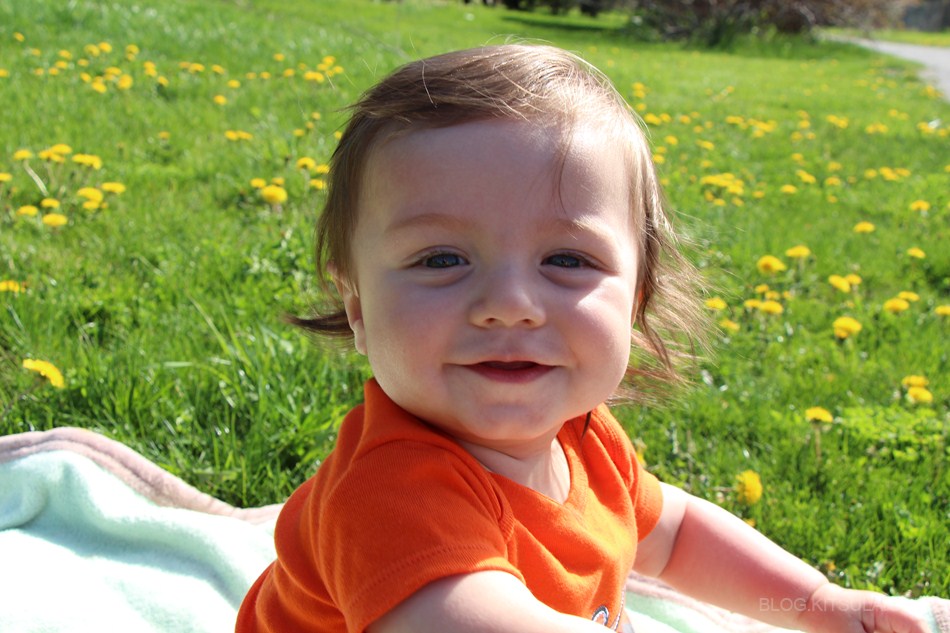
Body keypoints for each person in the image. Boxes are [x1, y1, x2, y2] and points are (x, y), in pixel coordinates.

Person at [236, 44, 930, 633]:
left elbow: (675, 535)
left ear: (636, 299)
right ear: (357, 307)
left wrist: (817, 604)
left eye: (566, 259)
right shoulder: (385, 495)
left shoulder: (586, 439)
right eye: (441, 258)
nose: (509, 306)